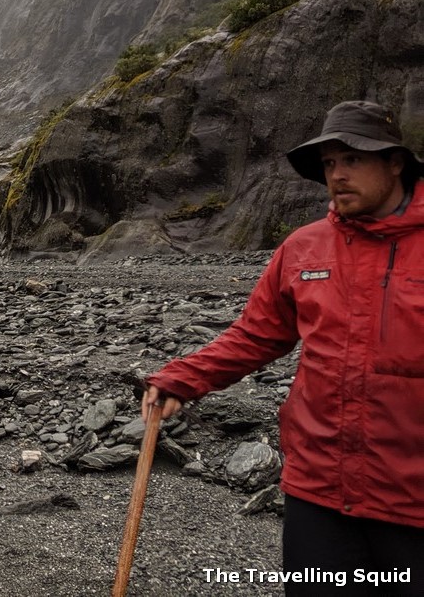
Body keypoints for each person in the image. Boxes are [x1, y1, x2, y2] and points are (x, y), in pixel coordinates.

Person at [142, 100, 424, 595]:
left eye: (353, 159)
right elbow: (257, 334)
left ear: (395, 161)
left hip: (413, 493)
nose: (337, 174)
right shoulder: (303, 248)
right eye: (329, 163)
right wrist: (183, 378)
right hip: (319, 485)